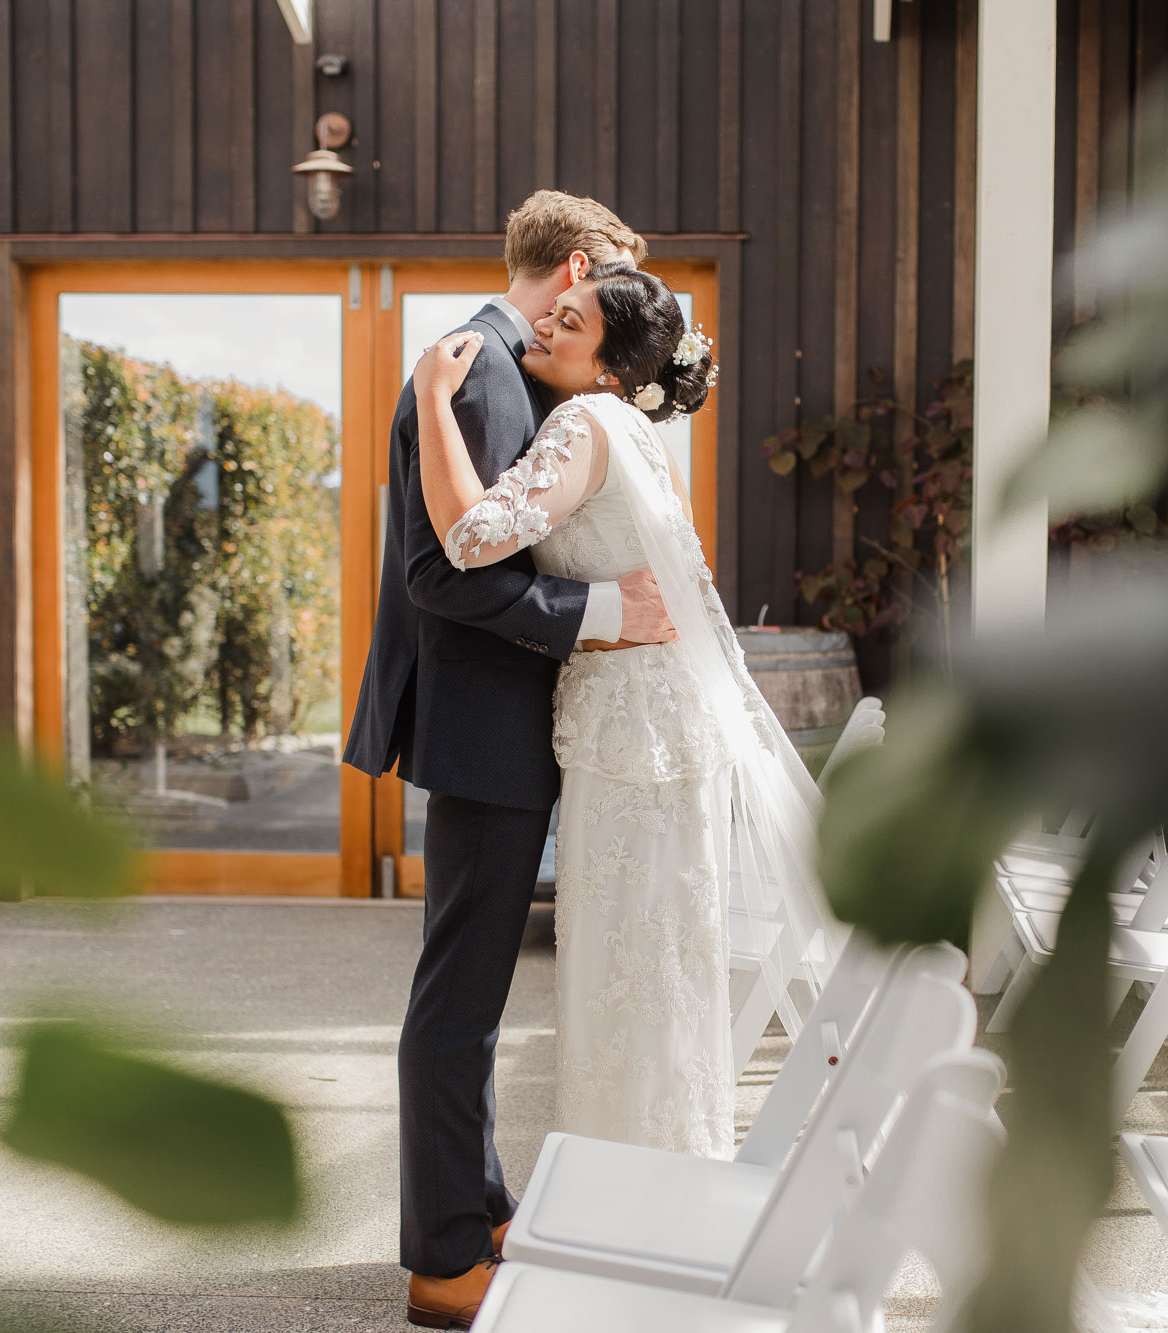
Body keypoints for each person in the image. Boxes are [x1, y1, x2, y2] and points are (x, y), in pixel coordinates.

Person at [412, 260, 836, 1197]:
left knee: (626, 972)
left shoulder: (583, 420)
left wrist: (434, 396)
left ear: (607, 369)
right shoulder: (635, 429)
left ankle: (633, 1203)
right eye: (555, 311)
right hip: (650, 728)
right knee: (655, 973)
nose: (547, 329)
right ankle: (659, 1192)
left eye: (570, 324)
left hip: (631, 740)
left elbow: (471, 537)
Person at [340, 191, 678, 1331]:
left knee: (472, 991)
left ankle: (476, 1211)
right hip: (488, 728)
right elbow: (446, 573)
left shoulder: (491, 364)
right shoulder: (480, 365)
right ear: (576, 266)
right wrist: (599, 611)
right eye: (603, 291)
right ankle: (442, 1259)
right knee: (460, 997)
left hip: (497, 723)